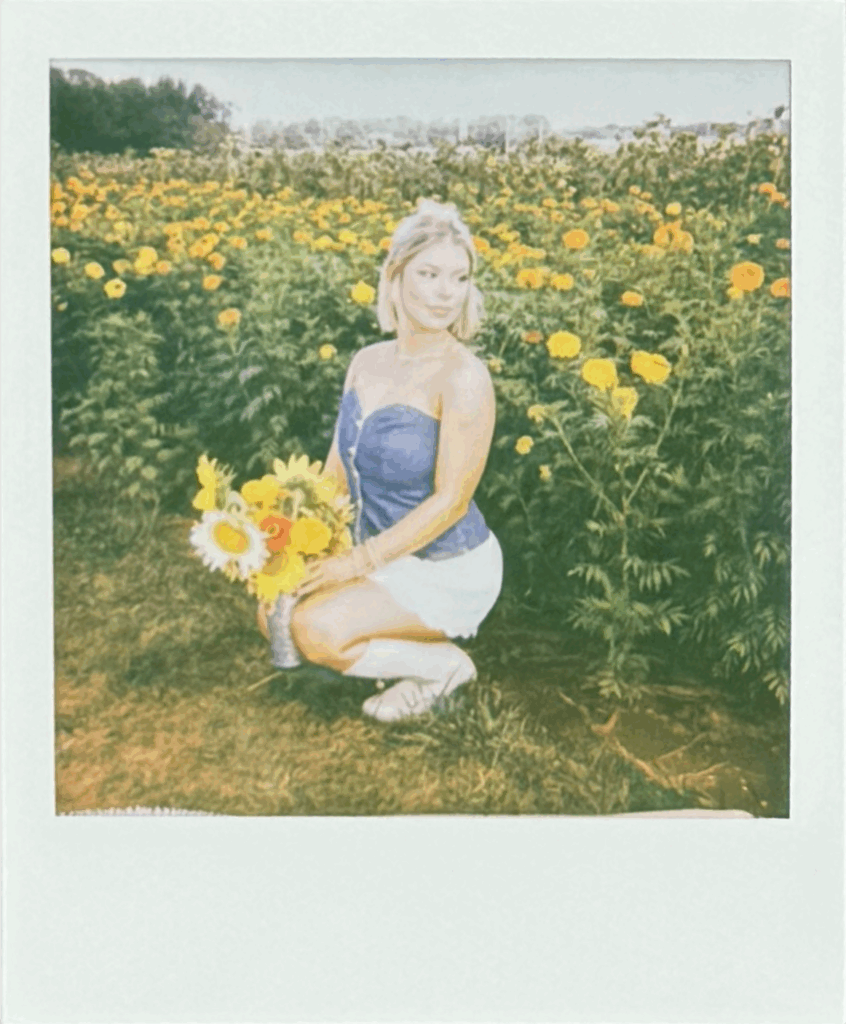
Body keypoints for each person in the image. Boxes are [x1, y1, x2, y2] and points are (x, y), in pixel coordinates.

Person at [258, 199, 503, 722]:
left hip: (447, 566)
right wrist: (295, 540)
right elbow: (336, 472)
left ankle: (444, 667)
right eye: (430, 274)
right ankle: (387, 653)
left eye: (459, 278)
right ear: (395, 276)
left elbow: (451, 501)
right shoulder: (366, 361)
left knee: (312, 629)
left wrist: (353, 564)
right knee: (272, 608)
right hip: (373, 548)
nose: (445, 293)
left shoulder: (464, 377)